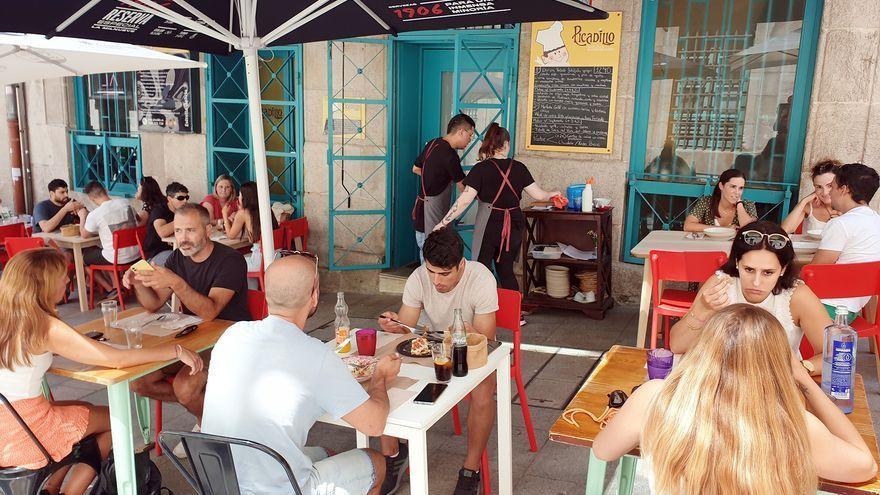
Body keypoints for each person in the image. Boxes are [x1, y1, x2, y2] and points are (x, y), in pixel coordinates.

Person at [593, 304, 877, 493]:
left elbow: (603, 451)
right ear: (778, 363)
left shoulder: (655, 397)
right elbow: (865, 465)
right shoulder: (793, 425)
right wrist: (804, 381)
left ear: (704, 349)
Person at [0, 248, 202, 495]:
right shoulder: (45, 326)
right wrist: (175, 350)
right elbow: (114, 359)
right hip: (26, 431)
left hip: (7, 422)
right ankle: (69, 492)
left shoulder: (9, 317)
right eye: (62, 276)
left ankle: (50, 488)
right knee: (113, 420)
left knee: (79, 410)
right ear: (43, 284)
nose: (68, 280)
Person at [202, 253, 400, 495]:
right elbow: (374, 424)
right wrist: (380, 378)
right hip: (279, 488)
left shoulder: (232, 335)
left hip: (220, 482)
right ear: (314, 296)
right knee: (376, 462)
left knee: (324, 454)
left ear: (267, 293)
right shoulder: (316, 355)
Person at [377, 227, 498, 495]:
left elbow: (487, 337)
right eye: (432, 271)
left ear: (461, 265)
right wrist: (393, 324)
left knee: (483, 391)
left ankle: (470, 469)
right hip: (433, 348)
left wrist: (468, 332)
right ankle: (393, 455)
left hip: (471, 350)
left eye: (445, 273)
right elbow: (407, 325)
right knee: (383, 372)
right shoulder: (420, 277)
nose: (436, 280)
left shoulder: (481, 278)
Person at [124, 203, 250, 441]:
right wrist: (139, 281)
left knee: (185, 388)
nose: (183, 238)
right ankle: (215, 414)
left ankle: (210, 429)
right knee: (139, 382)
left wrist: (176, 283)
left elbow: (210, 312)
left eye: (191, 230)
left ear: (208, 231)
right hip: (191, 336)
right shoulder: (176, 258)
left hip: (230, 339)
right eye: (179, 231)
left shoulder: (231, 260)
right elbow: (152, 304)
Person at [669, 220, 830, 373]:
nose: (756, 282)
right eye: (749, 270)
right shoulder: (721, 284)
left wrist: (801, 369)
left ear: (783, 269)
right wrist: (702, 310)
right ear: (737, 262)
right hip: (722, 381)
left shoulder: (797, 296)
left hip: (777, 387)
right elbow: (676, 345)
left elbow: (833, 354)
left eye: (768, 273)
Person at [433, 123, 561, 290]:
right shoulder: (519, 167)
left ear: (489, 144)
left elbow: (464, 200)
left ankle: (483, 311)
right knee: (506, 271)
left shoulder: (480, 169)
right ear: (506, 144)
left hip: (490, 223)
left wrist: (443, 223)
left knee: (482, 270)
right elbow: (539, 195)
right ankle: (517, 315)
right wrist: (553, 194)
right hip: (514, 224)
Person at [812, 162, 880, 317]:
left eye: (832, 187)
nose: (829, 193)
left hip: (827, 309)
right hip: (853, 308)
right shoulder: (877, 220)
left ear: (844, 190)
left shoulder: (841, 223)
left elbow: (815, 274)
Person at [412, 113, 475, 260]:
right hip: (432, 215)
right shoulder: (450, 156)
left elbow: (415, 168)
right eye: (470, 135)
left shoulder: (433, 143)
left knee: (426, 255)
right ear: (461, 132)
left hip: (421, 214)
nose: (470, 140)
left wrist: (433, 177)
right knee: (432, 258)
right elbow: (463, 188)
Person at [77, 181, 140, 296]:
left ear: (91, 198)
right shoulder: (126, 203)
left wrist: (82, 216)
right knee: (104, 251)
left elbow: (84, 235)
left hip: (117, 259)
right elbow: (137, 220)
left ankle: (111, 289)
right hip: (137, 255)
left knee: (83, 259)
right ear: (106, 190)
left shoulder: (95, 214)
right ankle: (117, 286)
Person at [684, 168, 757, 232]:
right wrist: (723, 229)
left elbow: (750, 229)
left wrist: (739, 204)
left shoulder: (748, 205)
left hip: (735, 247)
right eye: (733, 186)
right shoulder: (706, 202)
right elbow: (688, 226)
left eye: (741, 188)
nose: (737, 192)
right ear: (721, 186)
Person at [781, 159, 841, 234]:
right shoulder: (809, 206)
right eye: (818, 187)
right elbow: (785, 230)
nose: (825, 192)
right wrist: (804, 201)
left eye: (829, 186)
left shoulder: (846, 208)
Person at [141, 181, 189, 266]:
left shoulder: (182, 211)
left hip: (175, 248)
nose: (185, 201)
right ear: (169, 199)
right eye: (181, 198)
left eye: (187, 197)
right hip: (156, 254)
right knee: (181, 262)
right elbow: (162, 232)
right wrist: (180, 219)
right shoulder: (159, 210)